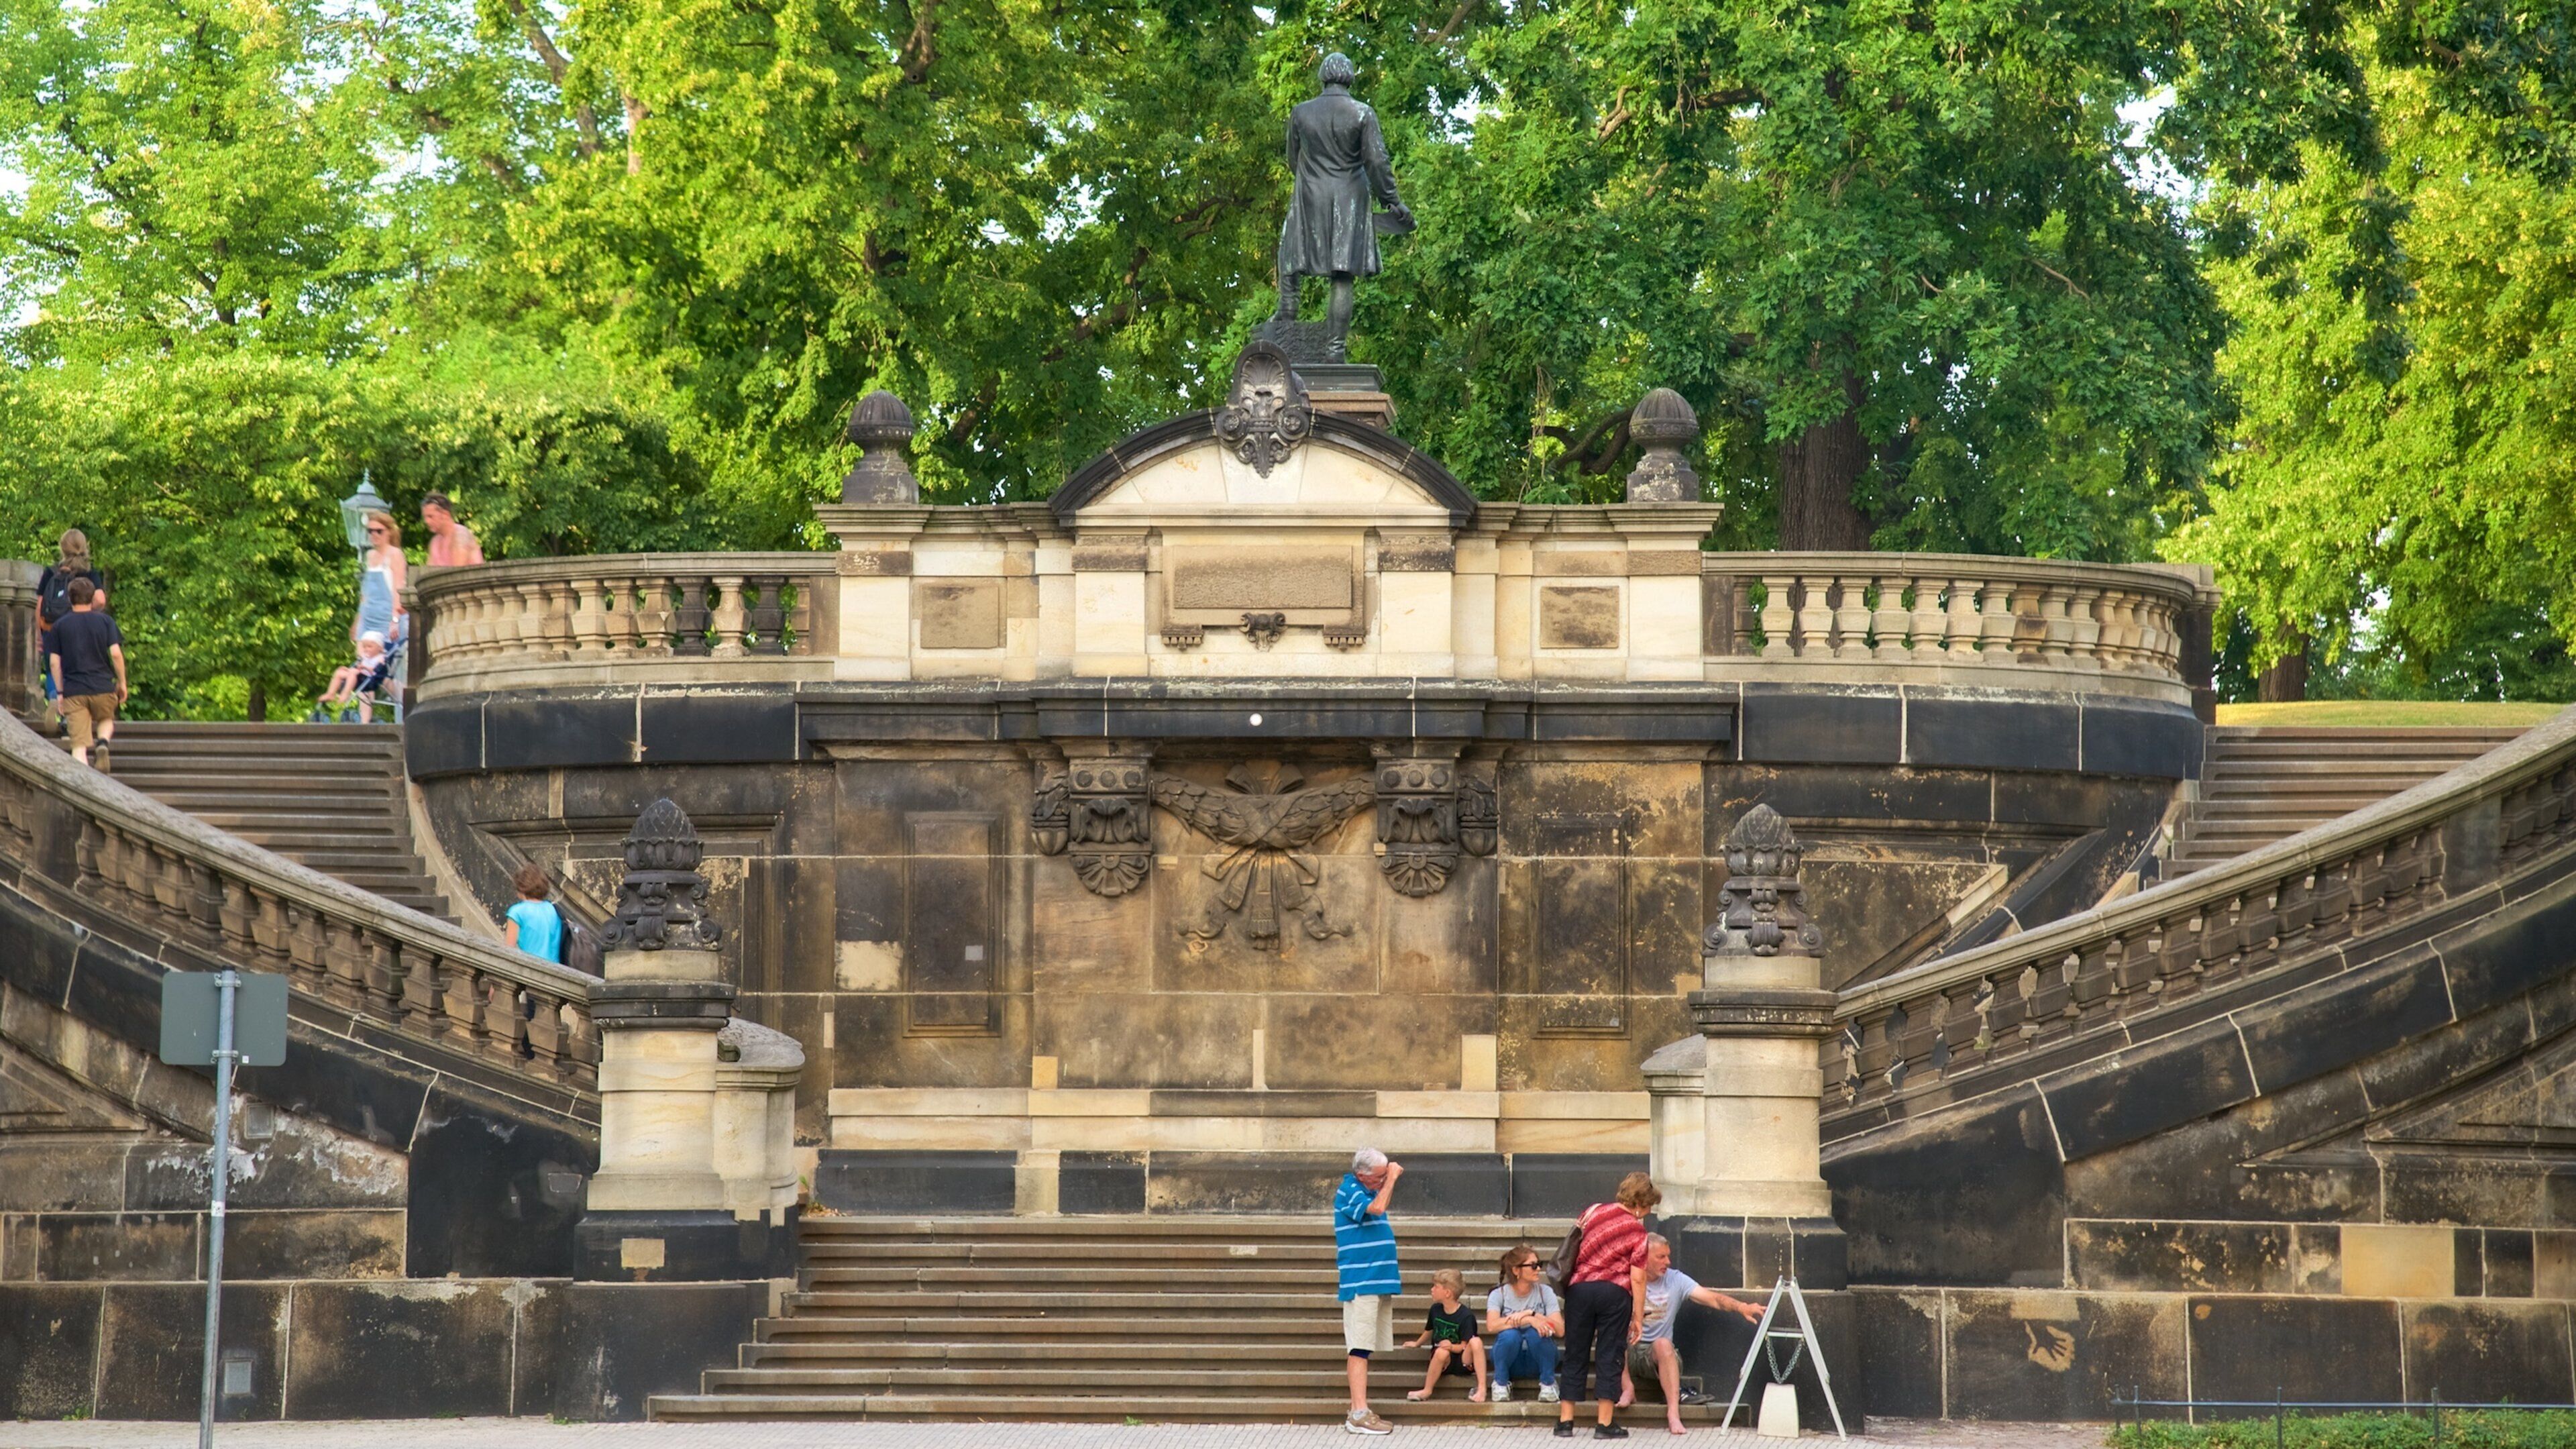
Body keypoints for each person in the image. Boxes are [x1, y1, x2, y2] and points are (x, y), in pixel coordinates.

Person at [1271, 52, 1412, 362]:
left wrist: (1312, 179)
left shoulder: (1301, 112)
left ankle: (1288, 306)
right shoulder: (1362, 113)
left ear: (1323, 76)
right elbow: (1376, 161)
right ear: (1349, 77)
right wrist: (1391, 201)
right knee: (1342, 273)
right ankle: (1335, 349)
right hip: (1350, 195)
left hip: (1310, 193)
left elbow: (1292, 159)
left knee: (1290, 248)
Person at [1619, 1232, 1764, 1436]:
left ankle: (1673, 1415)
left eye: (1668, 1256)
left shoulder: (1676, 1280)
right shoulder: (1626, 1278)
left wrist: (1742, 1307)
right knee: (1613, 1333)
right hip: (1627, 1352)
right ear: (1644, 1257)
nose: (1667, 1262)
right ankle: (1627, 1388)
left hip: (1658, 1355)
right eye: (1661, 1257)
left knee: (1662, 1344)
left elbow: (1712, 1299)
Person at [1556, 1171, 1660, 1440]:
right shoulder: (1638, 1231)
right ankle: (1604, 1425)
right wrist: (1638, 1317)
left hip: (1579, 1289)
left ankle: (1565, 1422)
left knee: (1575, 1352)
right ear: (1639, 1203)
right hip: (1614, 1293)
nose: (1647, 1212)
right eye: (1648, 1207)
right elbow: (1637, 1278)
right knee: (1609, 1355)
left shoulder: (1593, 1211)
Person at [1334, 1146, 1403, 1436]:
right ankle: (1358, 1414)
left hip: (1376, 1279)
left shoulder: (1366, 1188)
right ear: (1362, 1175)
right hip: (1361, 1282)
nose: (1383, 1179)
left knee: (1366, 1346)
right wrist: (1392, 1180)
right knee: (1359, 1347)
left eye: (1385, 1174)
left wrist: (1384, 1181)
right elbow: (1377, 1209)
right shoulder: (1349, 1191)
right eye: (1379, 1176)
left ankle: (1358, 1409)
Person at [46, 578, 126, 771]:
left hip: (75, 690)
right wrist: (122, 682)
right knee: (106, 718)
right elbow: (115, 654)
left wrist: (60, 692)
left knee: (79, 747)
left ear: (70, 599)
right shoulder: (106, 621)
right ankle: (103, 743)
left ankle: (85, 788)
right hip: (102, 686)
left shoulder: (60, 626)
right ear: (92, 598)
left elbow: (55, 663)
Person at [35, 529, 107, 706]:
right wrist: (86, 610)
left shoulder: (51, 572)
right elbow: (100, 600)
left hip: (52, 628)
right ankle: (71, 708)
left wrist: (39, 632)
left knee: (54, 668)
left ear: (62, 548)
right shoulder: (89, 574)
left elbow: (40, 605)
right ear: (84, 547)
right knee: (77, 671)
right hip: (80, 630)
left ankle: (54, 697)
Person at [1487, 1245, 1564, 1404]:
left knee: (1536, 1333)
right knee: (1510, 1335)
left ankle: (1548, 1384)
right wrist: (1527, 1320)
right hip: (1511, 1360)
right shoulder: (1499, 1294)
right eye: (1533, 1265)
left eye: (1539, 1264)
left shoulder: (1545, 1292)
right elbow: (1492, 1326)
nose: (1538, 1269)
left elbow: (1560, 1330)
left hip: (1539, 1359)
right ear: (1516, 1270)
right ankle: (1500, 1383)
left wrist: (1534, 1315)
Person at [1403, 1268, 1488, 1403]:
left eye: (1436, 1287)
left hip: (1462, 1360)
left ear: (1447, 1293)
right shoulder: (1435, 1310)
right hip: (1442, 1360)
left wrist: (1452, 1346)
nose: (1432, 1289)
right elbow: (1429, 1329)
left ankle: (1482, 1389)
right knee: (1441, 1352)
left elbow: (1464, 1346)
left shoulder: (1466, 1316)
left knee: (1476, 1341)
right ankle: (1427, 1390)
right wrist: (1417, 1343)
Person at [356, 511, 407, 651]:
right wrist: (358, 621)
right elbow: (365, 595)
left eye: (379, 531)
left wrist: (395, 620)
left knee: (384, 661)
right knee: (363, 660)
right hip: (368, 619)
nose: (374, 535)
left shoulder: (395, 554)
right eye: (370, 531)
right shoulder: (370, 555)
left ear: (389, 532)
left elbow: (399, 589)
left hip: (386, 620)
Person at [316, 631, 394, 722]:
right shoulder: (366, 656)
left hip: (371, 679)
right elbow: (358, 667)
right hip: (360, 676)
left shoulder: (381, 658)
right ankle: (331, 694)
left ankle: (345, 694)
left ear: (379, 648)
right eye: (365, 647)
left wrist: (364, 667)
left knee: (353, 673)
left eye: (370, 647)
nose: (366, 649)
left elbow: (376, 670)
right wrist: (349, 669)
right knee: (339, 672)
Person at [506, 863, 566, 963]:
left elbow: (508, 951)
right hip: (556, 971)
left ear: (521, 887)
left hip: (530, 970)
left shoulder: (517, 912)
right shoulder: (554, 909)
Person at [421, 492, 484, 568]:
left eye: (431, 516)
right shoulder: (435, 542)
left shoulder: (460, 535)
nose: (426, 521)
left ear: (446, 515)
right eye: (425, 517)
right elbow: (429, 572)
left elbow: (456, 573)